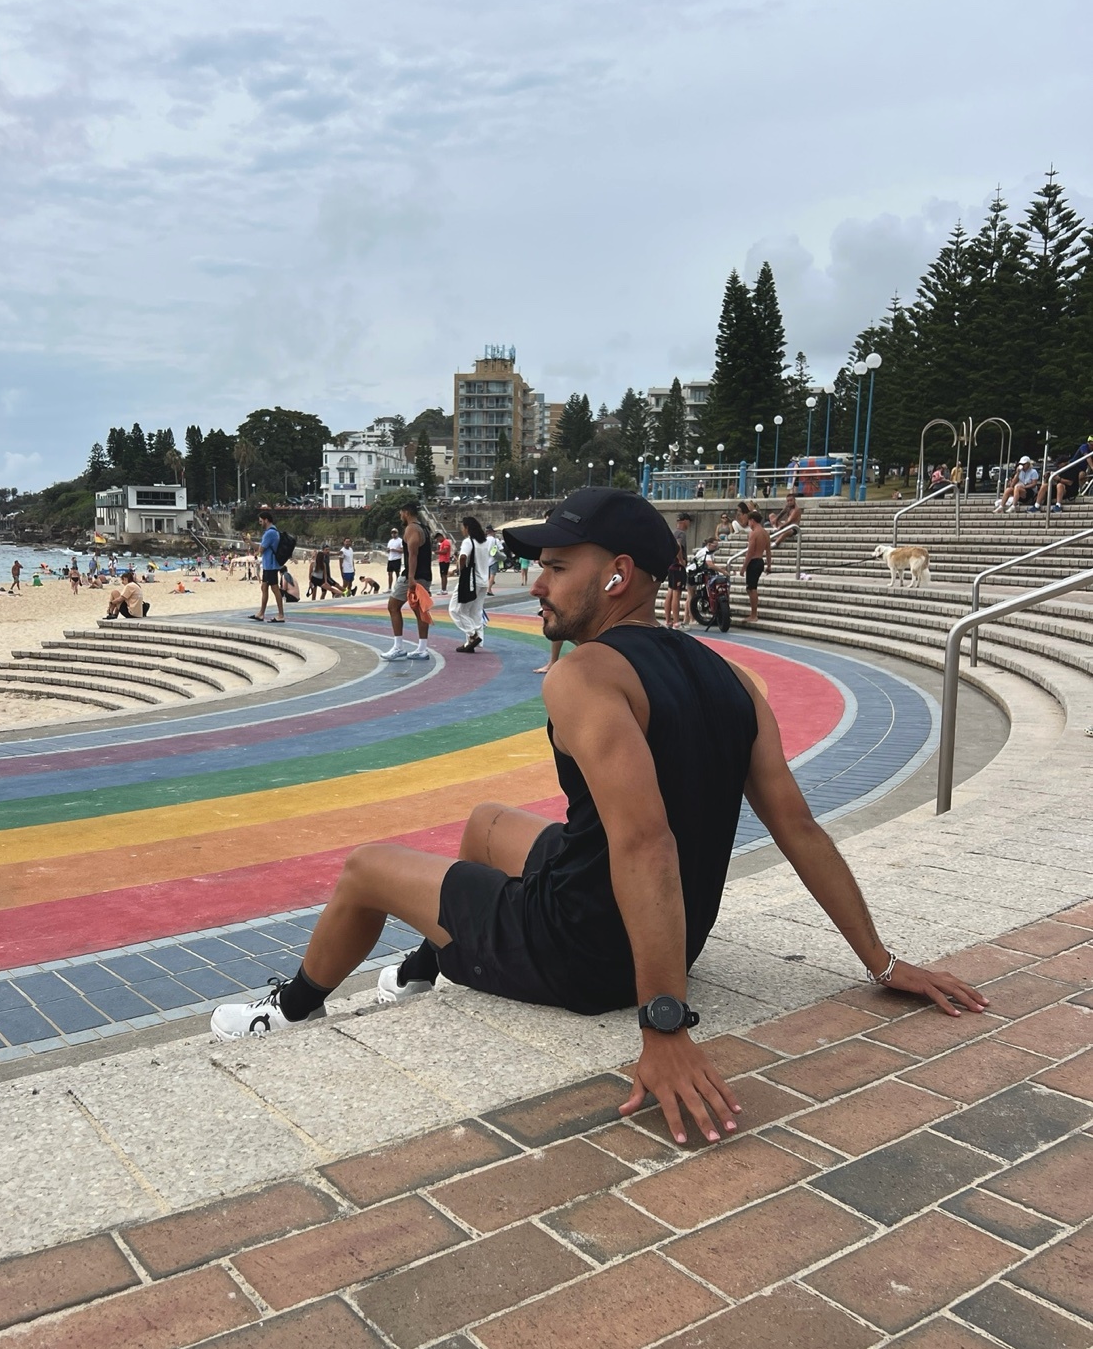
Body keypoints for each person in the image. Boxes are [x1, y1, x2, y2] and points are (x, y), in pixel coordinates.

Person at [208, 487, 986, 1145]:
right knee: (483, 824)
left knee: (365, 870)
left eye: (554, 568)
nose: (537, 584)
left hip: (583, 950)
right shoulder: (736, 681)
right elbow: (801, 830)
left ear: (616, 577)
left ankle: (288, 1011)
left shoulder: (585, 678)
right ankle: (427, 966)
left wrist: (665, 1025)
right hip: (670, 933)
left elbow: (644, 842)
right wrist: (882, 964)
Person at [384, 500, 433, 661]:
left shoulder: (411, 528)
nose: (400, 516)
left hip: (413, 576)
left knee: (393, 606)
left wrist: (411, 578)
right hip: (425, 574)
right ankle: (422, 648)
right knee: (420, 611)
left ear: (406, 513)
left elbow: (413, 554)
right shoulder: (425, 528)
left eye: (401, 513)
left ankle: (398, 647)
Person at [449, 515, 491, 654]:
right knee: (474, 611)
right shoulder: (484, 542)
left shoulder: (468, 542)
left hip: (471, 581)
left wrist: (460, 571)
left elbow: (463, 557)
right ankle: (471, 642)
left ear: (467, 528)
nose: (462, 529)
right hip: (484, 581)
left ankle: (472, 636)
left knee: (455, 609)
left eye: (462, 527)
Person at [253, 509, 286, 622]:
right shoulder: (273, 531)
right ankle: (261, 613)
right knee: (264, 587)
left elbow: (260, 550)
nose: (260, 523)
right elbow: (261, 549)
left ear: (266, 520)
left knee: (275, 589)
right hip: (268, 565)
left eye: (261, 521)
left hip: (271, 565)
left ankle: (281, 615)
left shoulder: (270, 533)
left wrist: (249, 542)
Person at [741, 511, 772, 624]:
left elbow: (750, 552)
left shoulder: (754, 533)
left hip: (754, 561)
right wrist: (769, 565)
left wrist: (743, 567)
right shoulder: (765, 533)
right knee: (750, 588)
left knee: (752, 588)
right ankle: (753, 613)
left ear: (752, 521)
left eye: (749, 521)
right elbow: (768, 551)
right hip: (760, 561)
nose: (748, 523)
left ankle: (754, 615)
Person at [663, 514, 691, 629]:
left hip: (670, 566)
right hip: (677, 566)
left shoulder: (672, 533)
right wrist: (681, 560)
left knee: (670, 592)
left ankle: (668, 620)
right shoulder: (681, 534)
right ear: (684, 521)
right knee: (676, 594)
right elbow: (678, 545)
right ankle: (676, 622)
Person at [486, 527, 502, 593]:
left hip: (485, 560)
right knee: (493, 574)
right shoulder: (495, 540)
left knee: (487, 575)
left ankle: (487, 587)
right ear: (492, 532)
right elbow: (501, 548)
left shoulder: (483, 540)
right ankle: (489, 589)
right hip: (493, 560)